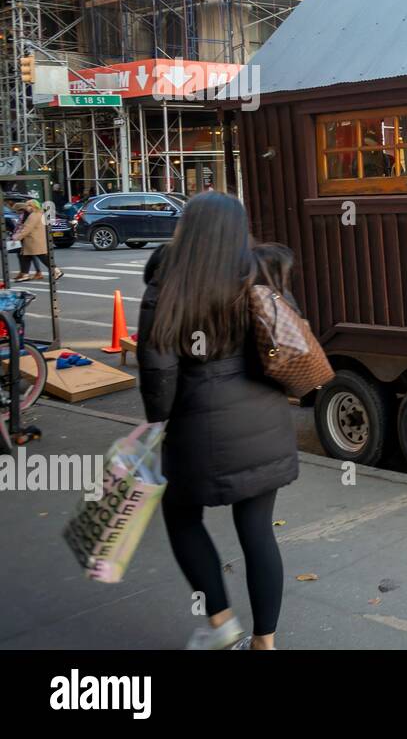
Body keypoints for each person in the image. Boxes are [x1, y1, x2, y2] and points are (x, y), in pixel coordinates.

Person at [138, 192, 299, 650]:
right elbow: (286, 342)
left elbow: (158, 372)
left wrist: (158, 422)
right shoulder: (262, 275)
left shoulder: (169, 280)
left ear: (187, 228)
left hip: (196, 429)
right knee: (257, 530)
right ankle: (264, 642)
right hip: (265, 421)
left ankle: (222, 619)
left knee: (182, 516)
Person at [12, 198, 62, 283]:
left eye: (27, 206)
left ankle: (56, 271)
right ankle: (25, 275)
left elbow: (27, 228)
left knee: (42, 257)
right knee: (26, 257)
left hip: (34, 240)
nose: (26, 208)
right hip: (36, 239)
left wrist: (17, 237)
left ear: (32, 206)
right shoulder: (40, 214)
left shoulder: (34, 215)